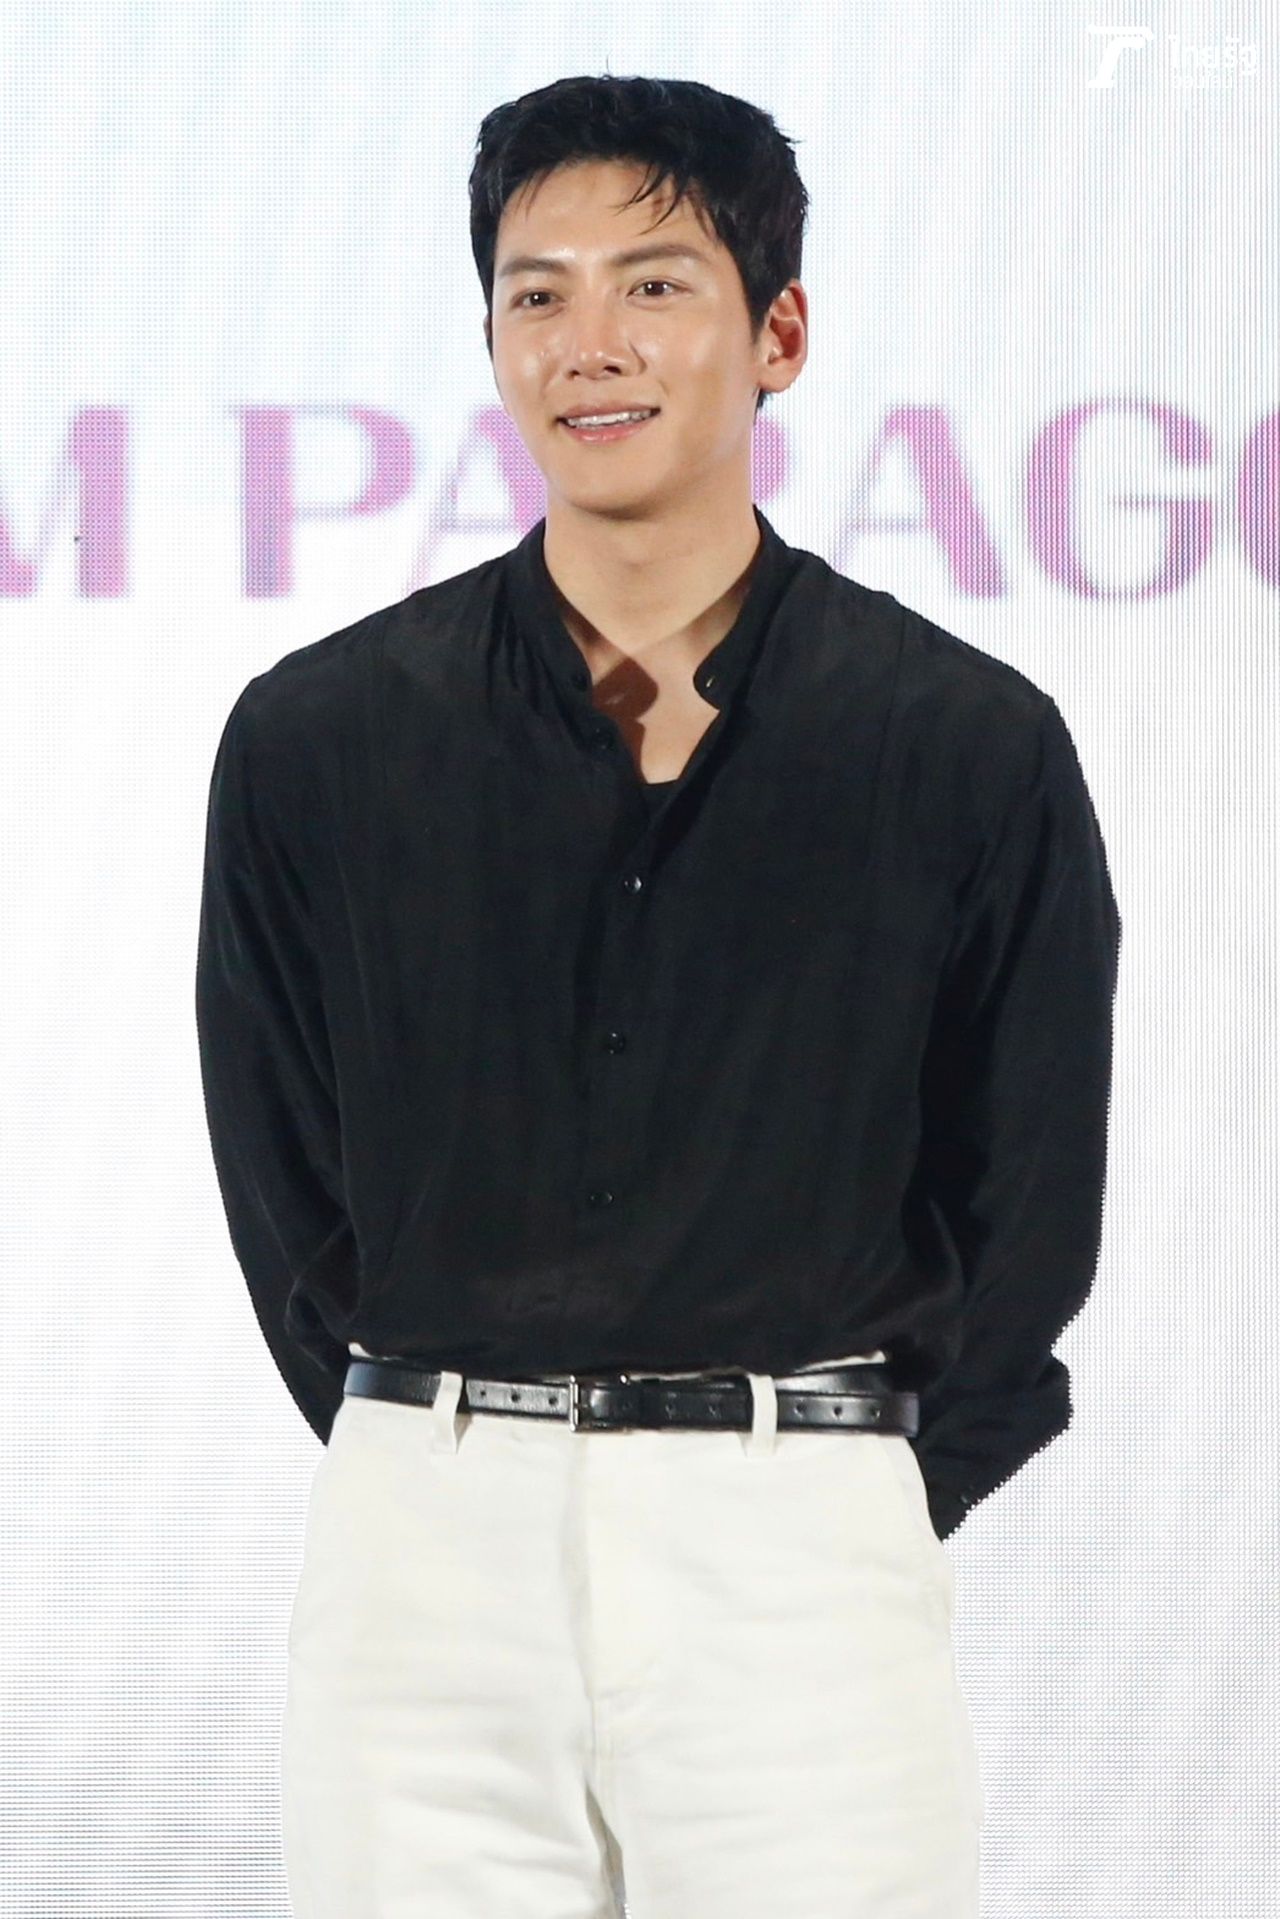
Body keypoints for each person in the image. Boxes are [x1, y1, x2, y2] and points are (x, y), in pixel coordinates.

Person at [195, 73, 1121, 1919]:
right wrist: (430, 1440)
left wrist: (847, 1496)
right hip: (425, 1558)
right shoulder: (321, 739)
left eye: (655, 285)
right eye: (535, 293)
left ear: (780, 334)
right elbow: (283, 1164)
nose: (589, 344)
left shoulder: (961, 742)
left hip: (800, 1553)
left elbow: (1027, 1198)